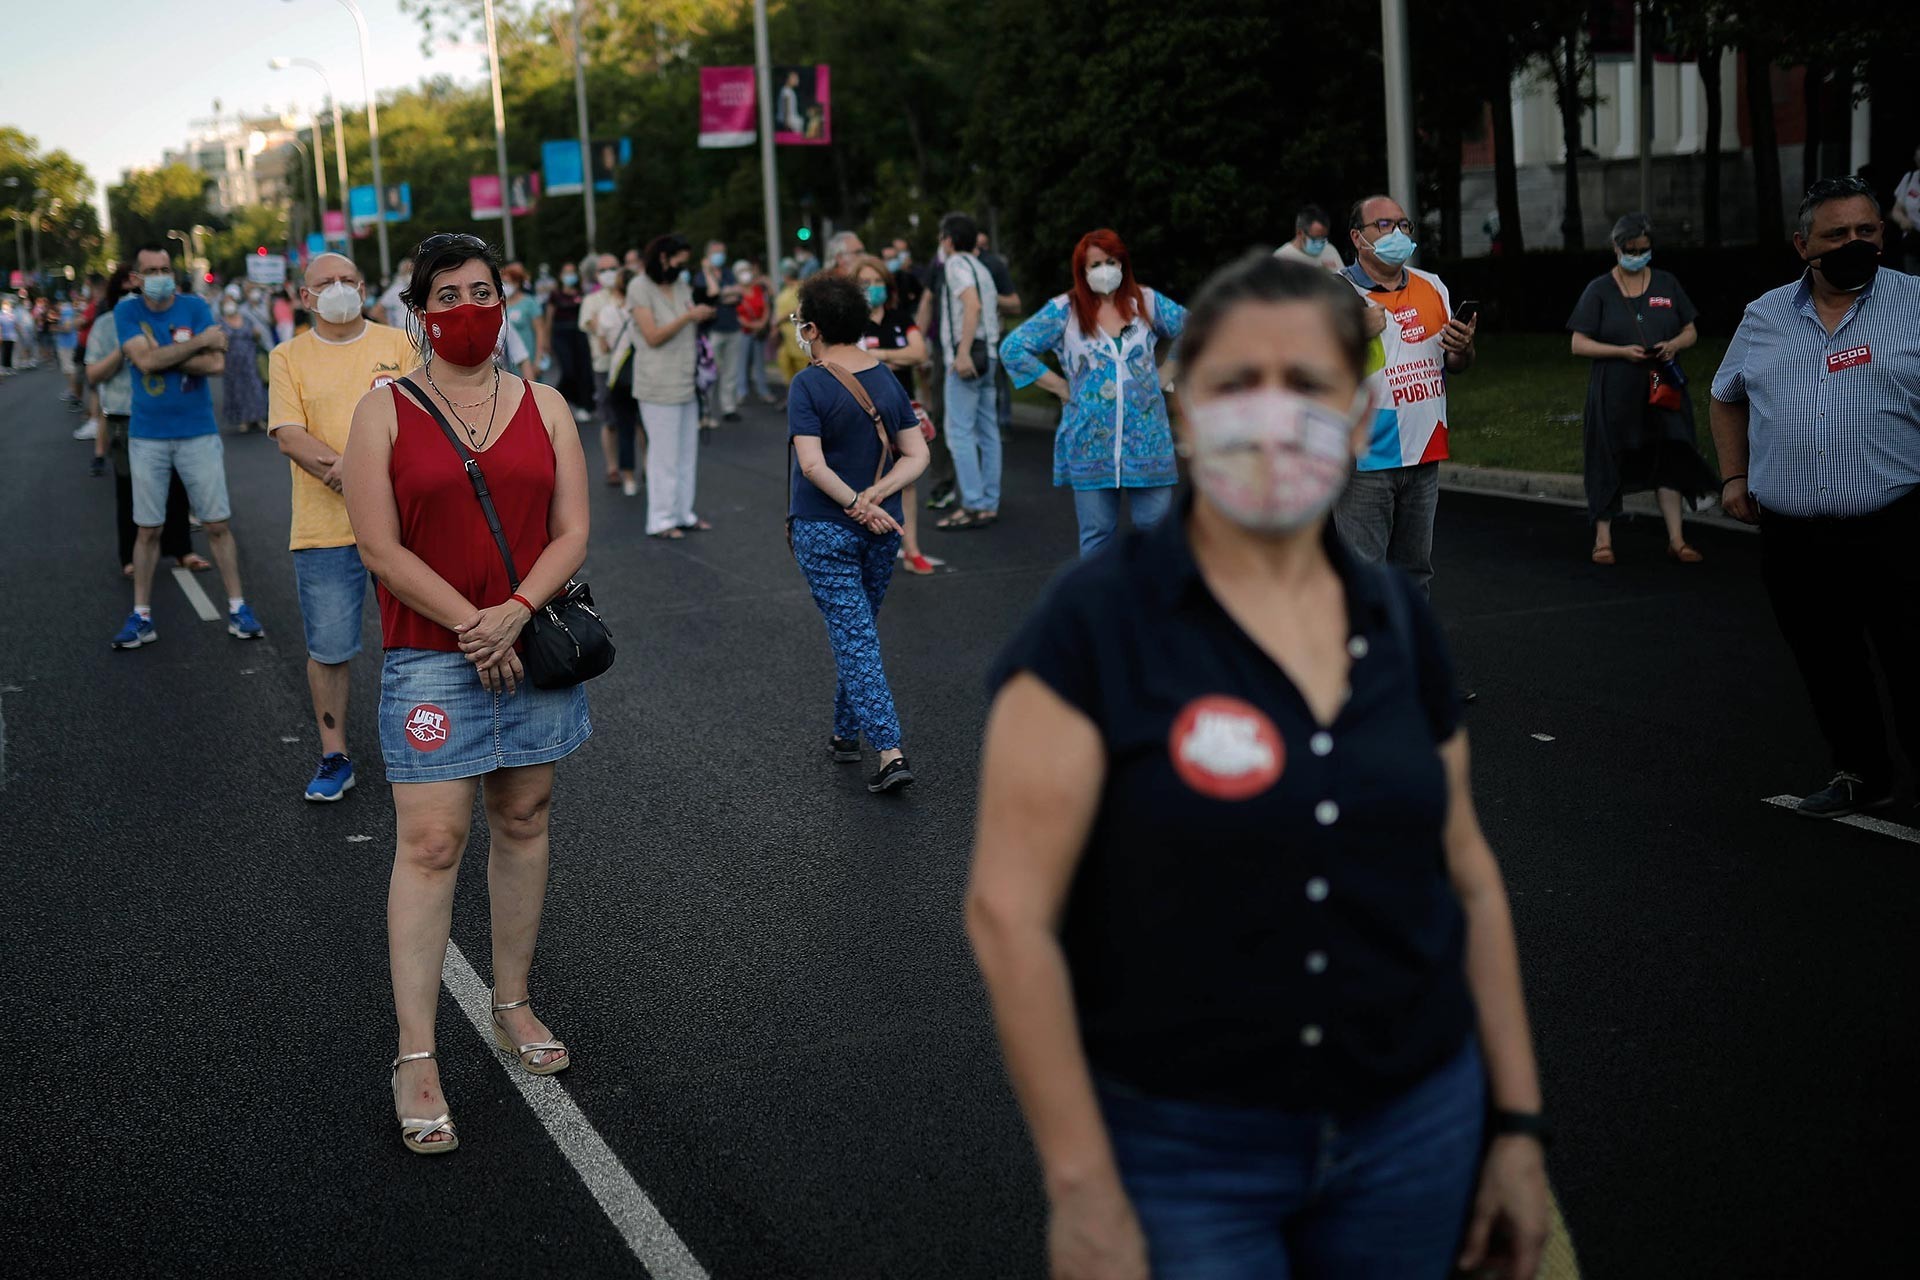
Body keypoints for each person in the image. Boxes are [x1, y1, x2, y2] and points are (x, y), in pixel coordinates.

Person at [966, 251, 1551, 1280]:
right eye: (1237, 383)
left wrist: (1515, 1125)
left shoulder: (1399, 623)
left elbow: (1468, 878)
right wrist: (1081, 1183)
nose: (1274, 415)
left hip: (1415, 1130)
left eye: (1310, 385)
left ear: (1363, 408)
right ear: (1182, 409)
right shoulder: (1092, 624)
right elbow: (1010, 914)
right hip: (1188, 1154)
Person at [341, 231, 593, 1156]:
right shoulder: (384, 412)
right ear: (420, 310)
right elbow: (379, 547)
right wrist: (474, 625)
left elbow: (572, 532)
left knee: (524, 818)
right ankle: (416, 1054)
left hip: (527, 642)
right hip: (432, 657)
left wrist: (514, 612)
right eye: (447, 293)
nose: (468, 307)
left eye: (482, 290)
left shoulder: (548, 404)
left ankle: (512, 1002)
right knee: (433, 842)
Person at [1710, 176, 1920, 820]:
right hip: (1796, 536)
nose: (1855, 243)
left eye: (1867, 231)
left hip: (1896, 526)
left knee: (1912, 661)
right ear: (1803, 245)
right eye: (1837, 235)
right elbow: (1724, 396)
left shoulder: (1915, 301)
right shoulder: (1764, 315)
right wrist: (1734, 478)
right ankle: (1862, 775)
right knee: (1828, 664)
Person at [267, 252, 419, 802]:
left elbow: (422, 418)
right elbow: (289, 434)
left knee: (419, 642)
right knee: (330, 648)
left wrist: (364, 476)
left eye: (347, 280)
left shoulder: (397, 345)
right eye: (324, 282)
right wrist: (361, 474)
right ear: (304, 296)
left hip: (403, 526)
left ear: (364, 287)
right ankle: (335, 756)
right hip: (324, 531)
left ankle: (427, 746)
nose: (338, 289)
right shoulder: (288, 357)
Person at [786, 271, 931, 792]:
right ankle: (846, 733)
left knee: (856, 633)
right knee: (860, 628)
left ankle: (889, 752)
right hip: (885, 527)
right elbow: (918, 454)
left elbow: (811, 465)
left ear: (815, 328)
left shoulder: (809, 383)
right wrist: (876, 497)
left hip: (825, 528)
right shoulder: (886, 378)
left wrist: (854, 503)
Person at [109, 244, 263, 649]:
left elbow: (217, 365)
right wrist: (197, 344)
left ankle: (237, 607)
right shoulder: (127, 311)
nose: (160, 274)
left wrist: (161, 353)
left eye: (164, 267)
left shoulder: (194, 306)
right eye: (150, 269)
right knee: (148, 529)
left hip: (198, 432)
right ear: (136, 277)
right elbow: (146, 364)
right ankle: (141, 615)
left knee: (217, 524)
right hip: (148, 435)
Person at [1000, 229, 1187, 557]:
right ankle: (1102, 606)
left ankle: (1152, 606)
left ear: (1123, 263)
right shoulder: (1064, 311)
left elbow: (1197, 328)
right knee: (1097, 537)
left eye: (1111, 261)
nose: (1104, 270)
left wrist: (1168, 371)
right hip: (1090, 442)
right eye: (1095, 264)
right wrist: (1059, 386)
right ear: (1082, 271)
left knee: (1157, 535)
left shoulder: (1146, 302)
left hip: (1148, 440)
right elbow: (1013, 348)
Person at [1333, 194, 1477, 596]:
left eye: (1403, 225)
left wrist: (1462, 348)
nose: (1397, 233)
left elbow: (1455, 364)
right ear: (1357, 238)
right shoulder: (1334, 293)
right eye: (1384, 225)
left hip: (1425, 451)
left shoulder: (1433, 286)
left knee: (1415, 574)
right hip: (1364, 459)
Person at [1567, 213, 1718, 565]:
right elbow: (1578, 343)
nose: (1638, 255)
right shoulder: (1599, 289)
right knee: (1607, 456)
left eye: (1644, 250)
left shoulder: (1667, 283)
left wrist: (1674, 344)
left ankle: (1677, 539)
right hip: (1615, 390)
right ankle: (1603, 538)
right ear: (1616, 248)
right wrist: (1620, 352)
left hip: (1661, 385)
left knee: (1671, 451)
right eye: (1631, 250)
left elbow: (1691, 330)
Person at [85, 265, 205, 577]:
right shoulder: (104, 325)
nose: (129, 297)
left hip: (162, 413)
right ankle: (130, 558)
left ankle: (182, 550)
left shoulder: (158, 320)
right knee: (128, 489)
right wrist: (123, 353)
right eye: (122, 291)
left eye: (134, 291)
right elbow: (93, 374)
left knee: (176, 486)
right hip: (124, 418)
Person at [851, 253, 939, 575]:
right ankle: (864, 549)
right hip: (861, 411)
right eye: (864, 283)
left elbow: (919, 352)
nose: (872, 288)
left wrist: (878, 355)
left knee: (907, 480)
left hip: (900, 408)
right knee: (864, 478)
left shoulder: (900, 318)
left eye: (877, 282)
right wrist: (892, 360)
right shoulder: (849, 323)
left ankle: (912, 549)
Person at [628, 233, 715, 538]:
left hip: (685, 380)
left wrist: (698, 313)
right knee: (663, 454)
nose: (683, 266)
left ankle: (682, 513)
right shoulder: (639, 287)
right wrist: (689, 317)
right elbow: (652, 336)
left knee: (685, 453)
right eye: (679, 259)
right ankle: (661, 519)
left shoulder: (680, 285)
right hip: (657, 384)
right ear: (664, 258)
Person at [933, 212, 1004, 531]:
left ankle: (972, 504)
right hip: (988, 355)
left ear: (948, 240)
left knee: (959, 431)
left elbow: (971, 305)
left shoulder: (955, 265)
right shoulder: (982, 267)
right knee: (988, 430)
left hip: (968, 358)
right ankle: (989, 502)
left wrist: (961, 352)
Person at [598, 264, 644, 495]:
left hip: (619, 375)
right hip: (645, 373)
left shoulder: (607, 311)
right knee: (646, 426)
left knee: (625, 427)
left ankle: (628, 479)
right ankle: (648, 467)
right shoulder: (642, 309)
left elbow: (603, 346)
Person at [578, 253, 625, 479]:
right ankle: (612, 467)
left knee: (638, 420)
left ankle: (644, 466)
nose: (609, 274)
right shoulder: (591, 300)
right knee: (609, 419)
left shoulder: (628, 296)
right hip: (604, 365)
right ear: (596, 274)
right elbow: (590, 324)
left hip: (629, 364)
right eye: (604, 270)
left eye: (613, 268)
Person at [692, 239, 745, 423]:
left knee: (731, 370)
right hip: (713, 329)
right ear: (707, 256)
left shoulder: (728, 273)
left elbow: (738, 294)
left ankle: (728, 407)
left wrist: (725, 294)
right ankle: (705, 408)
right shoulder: (701, 276)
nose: (719, 256)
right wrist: (726, 293)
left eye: (722, 251)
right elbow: (712, 295)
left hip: (732, 327)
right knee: (710, 371)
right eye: (716, 252)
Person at [976, 231, 1023, 434]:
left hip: (994, 334)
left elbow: (1015, 305)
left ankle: (1002, 423)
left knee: (997, 382)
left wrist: (989, 296)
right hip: (977, 337)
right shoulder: (958, 266)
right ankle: (994, 425)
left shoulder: (993, 265)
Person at [542, 261, 593, 419]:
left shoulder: (581, 293)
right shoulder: (555, 294)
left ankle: (583, 404)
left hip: (579, 334)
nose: (569, 276)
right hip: (560, 334)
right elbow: (549, 318)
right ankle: (558, 397)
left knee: (583, 370)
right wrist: (546, 340)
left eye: (572, 272)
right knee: (568, 369)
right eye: (566, 272)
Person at [217, 290, 271, 434]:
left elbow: (256, 334)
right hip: (232, 362)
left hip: (250, 359)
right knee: (237, 390)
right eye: (226, 302)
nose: (229, 305)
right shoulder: (220, 322)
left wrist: (257, 335)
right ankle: (243, 420)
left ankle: (258, 418)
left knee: (254, 387)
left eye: (231, 301)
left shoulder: (246, 319)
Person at [735, 259, 775, 406]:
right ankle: (741, 391)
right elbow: (737, 314)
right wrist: (752, 325)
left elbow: (767, 306)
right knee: (742, 362)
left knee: (760, 363)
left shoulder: (759, 289)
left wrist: (762, 323)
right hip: (744, 332)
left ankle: (763, 390)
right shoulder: (737, 292)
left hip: (759, 332)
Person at [772, 258, 808, 400]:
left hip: (800, 339)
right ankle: (792, 400)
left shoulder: (802, 289)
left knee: (803, 372)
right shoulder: (784, 291)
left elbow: (801, 310)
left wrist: (782, 318)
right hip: (785, 340)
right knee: (787, 370)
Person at [1276, 203, 1345, 271]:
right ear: (1299, 233)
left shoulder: (1330, 250)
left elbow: (1343, 280)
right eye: (1315, 239)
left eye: (1323, 239)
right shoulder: (1281, 258)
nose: (1319, 244)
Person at [1889, 144, 1920, 274]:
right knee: (1912, 283)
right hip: (1913, 239)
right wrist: (1903, 220)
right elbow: (1896, 210)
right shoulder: (1910, 178)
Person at [375, 255, 412, 327]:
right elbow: (376, 311)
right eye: (408, 271)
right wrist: (391, 328)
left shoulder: (418, 289)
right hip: (403, 334)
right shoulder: (396, 290)